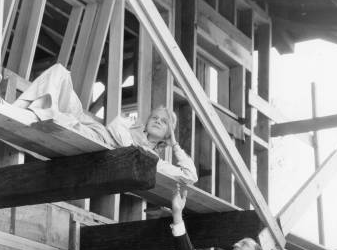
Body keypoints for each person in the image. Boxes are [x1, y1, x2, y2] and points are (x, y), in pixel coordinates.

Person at [11, 63, 197, 184]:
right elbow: (116, 128)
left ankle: (16, 112)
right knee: (60, 71)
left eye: (164, 122)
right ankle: (16, 109)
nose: (157, 120)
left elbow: (190, 176)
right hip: (88, 123)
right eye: (154, 117)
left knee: (58, 119)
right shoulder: (130, 126)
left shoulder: (151, 160)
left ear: (167, 135)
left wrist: (175, 144)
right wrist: (127, 123)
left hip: (92, 136)